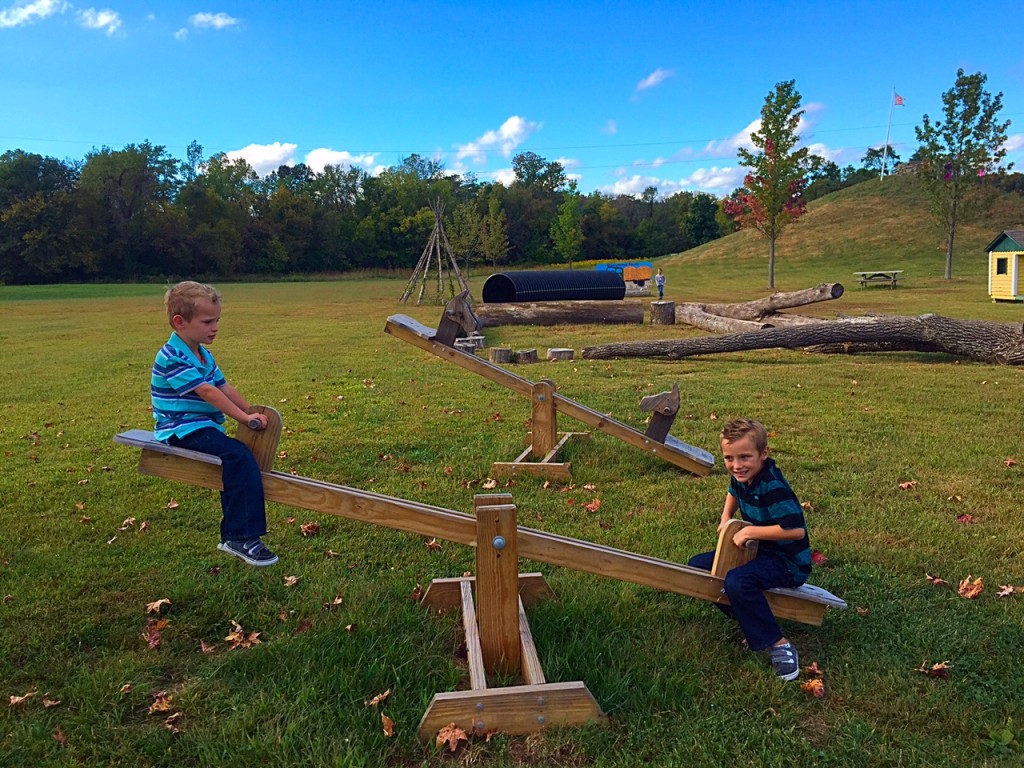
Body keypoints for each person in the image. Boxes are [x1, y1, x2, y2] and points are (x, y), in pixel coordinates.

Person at [150, 281, 278, 566]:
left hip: (200, 426)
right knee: (238, 457)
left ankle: (239, 534)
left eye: (217, 320)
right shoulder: (173, 357)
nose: (215, 327)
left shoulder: (202, 354)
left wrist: (252, 410)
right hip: (179, 429)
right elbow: (208, 392)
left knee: (240, 458)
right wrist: (244, 418)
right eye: (208, 321)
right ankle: (240, 537)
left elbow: (224, 386)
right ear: (179, 322)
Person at [688, 418, 811, 680]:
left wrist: (750, 531)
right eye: (729, 458)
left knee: (738, 582)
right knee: (699, 567)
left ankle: (779, 644)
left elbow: (795, 529)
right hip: (758, 550)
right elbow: (733, 491)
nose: (736, 466)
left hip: (786, 561)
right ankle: (749, 615)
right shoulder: (742, 477)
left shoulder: (773, 486)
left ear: (763, 454)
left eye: (745, 457)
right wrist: (725, 518)